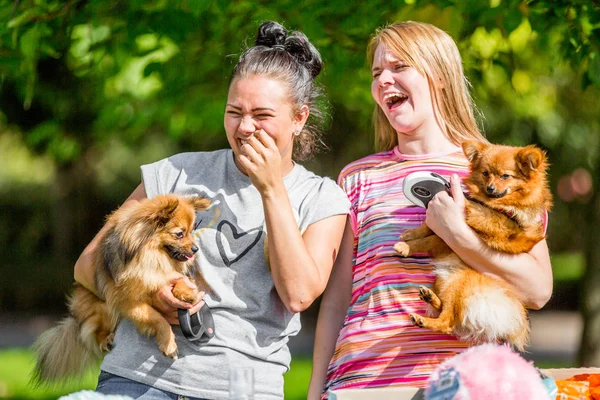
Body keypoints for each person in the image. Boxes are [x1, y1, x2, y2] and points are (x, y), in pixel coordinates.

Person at [73, 21, 349, 400]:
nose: (245, 127)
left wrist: (270, 189)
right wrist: (150, 295)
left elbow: (299, 294)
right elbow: (88, 266)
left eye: (262, 115)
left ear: (298, 118)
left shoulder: (321, 197)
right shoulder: (177, 172)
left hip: (242, 387)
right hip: (140, 379)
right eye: (234, 111)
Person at [307, 21, 553, 399]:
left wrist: (457, 234)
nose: (384, 80)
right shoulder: (357, 177)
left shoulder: (498, 169)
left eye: (399, 66)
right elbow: (338, 297)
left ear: (439, 76)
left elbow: (537, 290)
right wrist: (314, 392)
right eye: (377, 73)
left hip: (470, 382)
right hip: (365, 382)